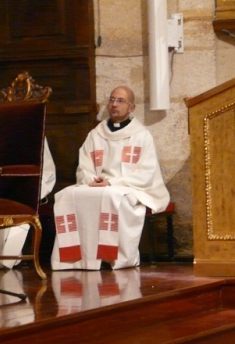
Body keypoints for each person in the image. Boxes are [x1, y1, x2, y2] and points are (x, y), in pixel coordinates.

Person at [51, 86, 169, 270]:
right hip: (98, 185)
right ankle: (76, 258)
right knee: (66, 195)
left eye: (120, 101)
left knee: (112, 197)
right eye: (112, 100)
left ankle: (113, 257)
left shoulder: (141, 136)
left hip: (131, 187)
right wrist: (91, 179)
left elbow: (145, 173)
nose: (114, 104)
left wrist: (112, 182)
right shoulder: (96, 134)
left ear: (131, 107)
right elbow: (84, 165)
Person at [0, 127, 56, 268]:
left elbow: (46, 172)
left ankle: (3, 259)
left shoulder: (33, 133)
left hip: (20, 194)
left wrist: (33, 194)